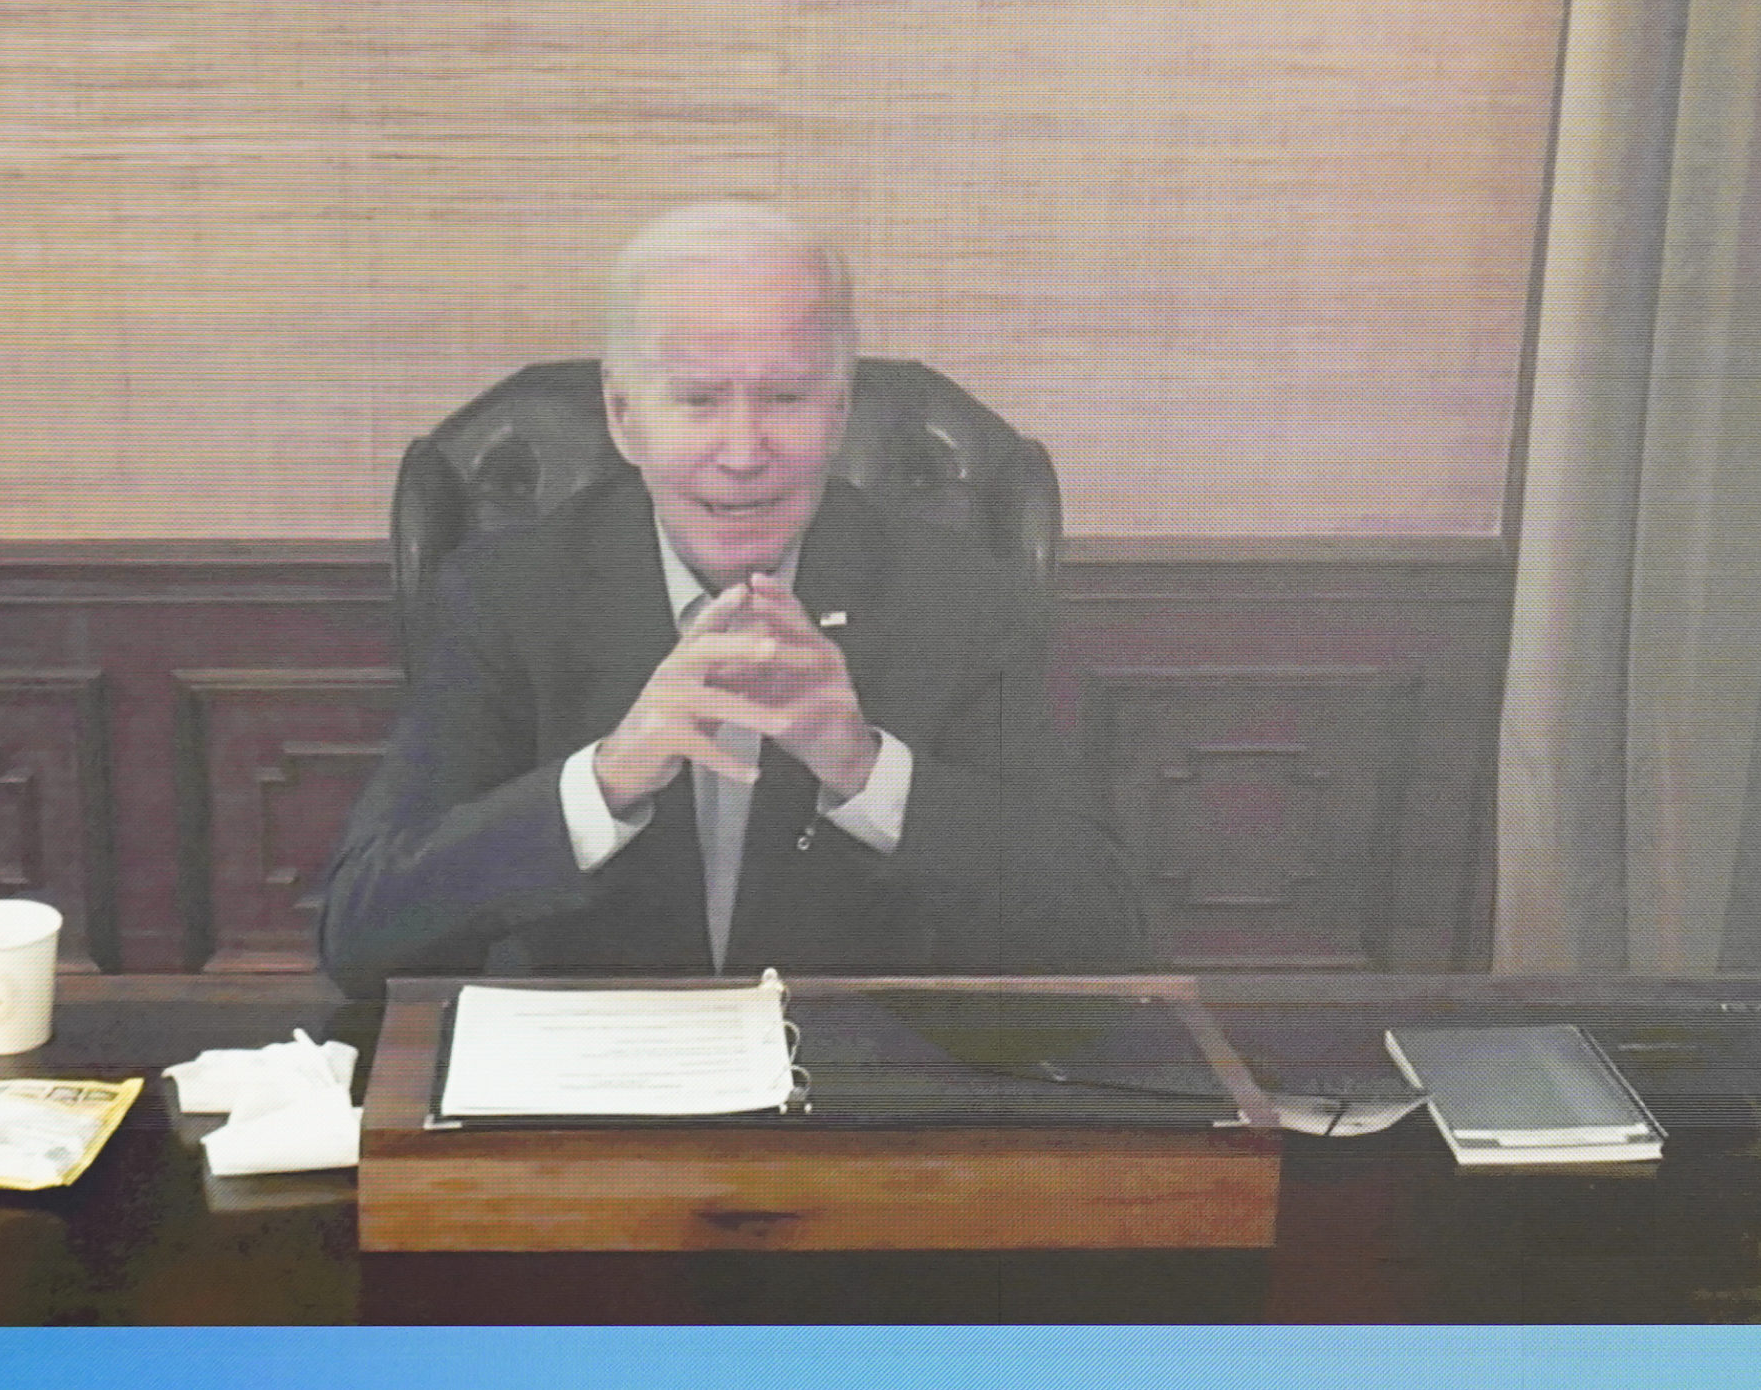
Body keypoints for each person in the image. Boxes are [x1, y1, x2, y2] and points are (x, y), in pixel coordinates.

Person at [318, 202, 1147, 994]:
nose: (745, 453)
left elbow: (1105, 936)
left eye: (786, 398)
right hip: (592, 1103)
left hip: (862, 1098)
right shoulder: (506, 593)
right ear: (623, 416)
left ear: (839, 409)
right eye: (698, 399)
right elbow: (360, 938)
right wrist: (603, 783)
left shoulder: (958, 597)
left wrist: (866, 772)